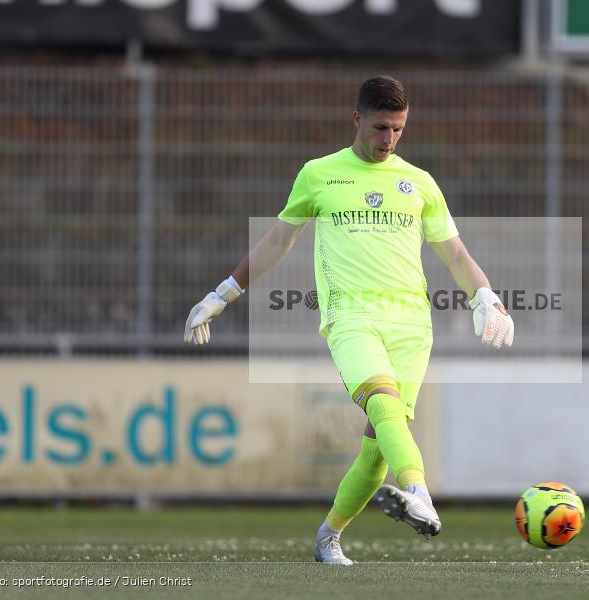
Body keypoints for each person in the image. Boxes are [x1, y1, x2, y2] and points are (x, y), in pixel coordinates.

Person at [182, 75, 514, 565]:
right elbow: (278, 241)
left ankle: (327, 537)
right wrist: (224, 292)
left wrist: (486, 296)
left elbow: (456, 253)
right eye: (381, 127)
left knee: (378, 451)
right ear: (358, 119)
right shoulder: (319, 174)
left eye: (398, 130)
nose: (389, 140)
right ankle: (420, 493)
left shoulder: (419, 183)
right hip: (350, 318)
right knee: (383, 405)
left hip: (412, 327)